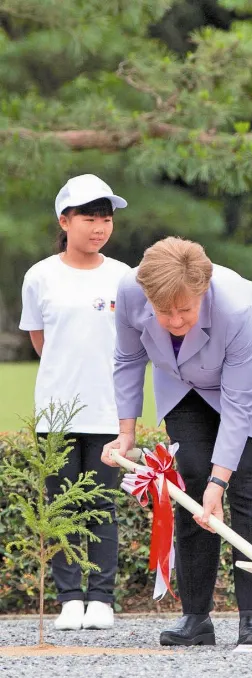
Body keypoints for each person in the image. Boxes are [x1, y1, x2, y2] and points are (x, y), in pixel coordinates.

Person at [102, 238, 252, 647]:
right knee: (192, 480)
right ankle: (195, 617)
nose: (175, 321)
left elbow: (239, 404)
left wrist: (220, 482)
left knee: (247, 481)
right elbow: (128, 359)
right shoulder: (129, 291)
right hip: (184, 379)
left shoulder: (236, 310)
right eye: (164, 312)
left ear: (203, 291)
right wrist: (126, 433)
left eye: (185, 310)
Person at [19, 174, 131, 632]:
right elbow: (40, 340)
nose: (99, 227)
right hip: (56, 411)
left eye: (106, 218)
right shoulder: (40, 276)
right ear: (64, 221)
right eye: (89, 218)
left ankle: (101, 598)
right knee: (61, 507)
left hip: (108, 411)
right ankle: (69, 599)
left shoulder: (123, 276)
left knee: (101, 506)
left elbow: (131, 346)